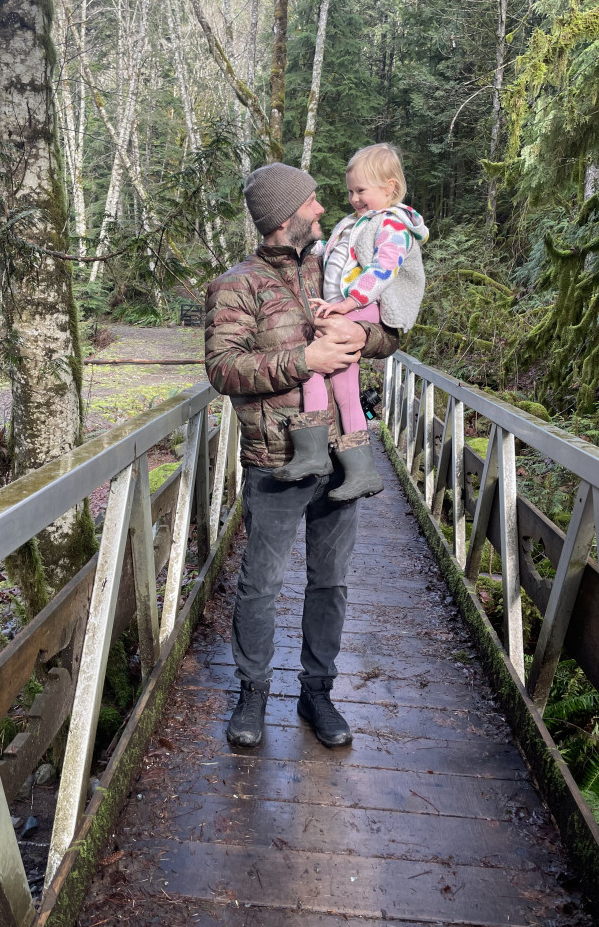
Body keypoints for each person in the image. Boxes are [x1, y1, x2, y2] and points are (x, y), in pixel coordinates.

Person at [205, 162, 399, 750]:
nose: (321, 209)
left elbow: (391, 329)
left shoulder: (335, 265)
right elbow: (223, 369)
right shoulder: (236, 285)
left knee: (330, 583)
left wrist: (365, 337)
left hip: (341, 459)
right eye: (311, 201)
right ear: (284, 214)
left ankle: (317, 693)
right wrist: (303, 362)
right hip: (274, 461)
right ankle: (253, 693)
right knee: (260, 586)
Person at [273, 144, 429, 501]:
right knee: (343, 387)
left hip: (365, 306)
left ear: (389, 187)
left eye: (361, 190)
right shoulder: (355, 222)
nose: (354, 198)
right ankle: (361, 471)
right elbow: (334, 253)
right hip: (348, 307)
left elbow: (384, 269)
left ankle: (314, 454)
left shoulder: (393, 224)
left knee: (313, 364)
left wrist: (349, 302)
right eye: (350, 192)